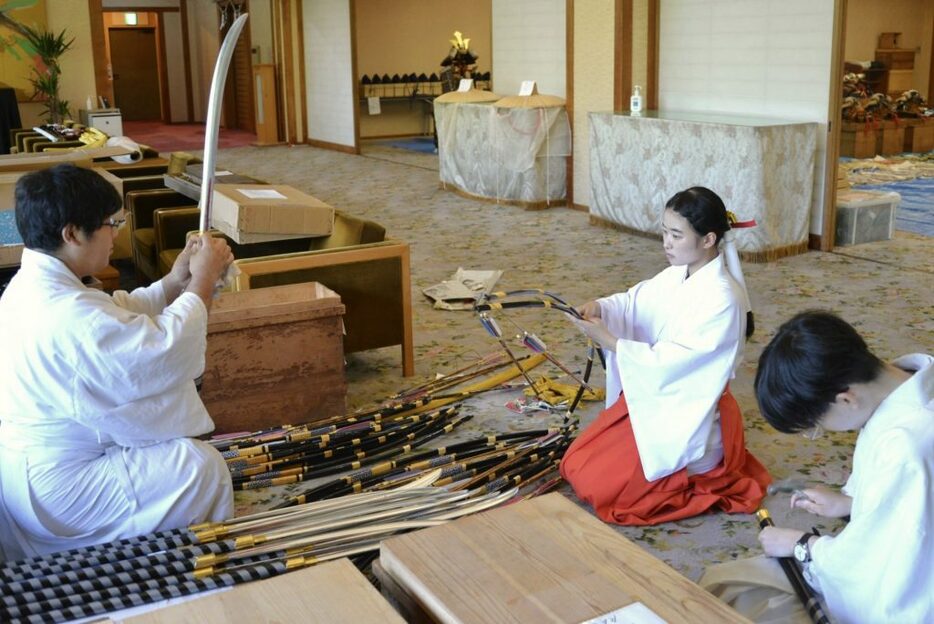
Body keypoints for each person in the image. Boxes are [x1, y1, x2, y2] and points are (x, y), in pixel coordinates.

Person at [0, 163, 235, 560]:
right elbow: (160, 351)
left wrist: (176, 280)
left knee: (180, 456)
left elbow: (116, 312)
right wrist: (202, 282)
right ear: (72, 233)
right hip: (60, 492)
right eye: (111, 223)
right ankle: (183, 565)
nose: (117, 233)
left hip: (28, 473)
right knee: (199, 467)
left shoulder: (35, 285)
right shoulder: (67, 314)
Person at [561, 186, 770, 525]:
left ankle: (700, 469)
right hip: (662, 400)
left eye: (676, 235)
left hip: (692, 414)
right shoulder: (676, 274)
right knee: (576, 462)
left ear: (707, 240)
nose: (666, 243)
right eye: (664, 232)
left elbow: (681, 362)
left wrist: (613, 343)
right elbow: (633, 303)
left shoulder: (723, 298)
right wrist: (600, 306)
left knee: (599, 487)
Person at [710, 310, 931, 623]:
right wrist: (851, 504)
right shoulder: (910, 384)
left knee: (728, 592)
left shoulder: (907, 444)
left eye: (816, 426)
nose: (819, 435)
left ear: (846, 400)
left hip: (907, 600)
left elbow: (880, 569)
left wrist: (801, 544)